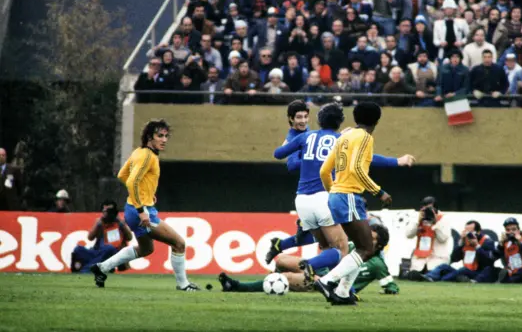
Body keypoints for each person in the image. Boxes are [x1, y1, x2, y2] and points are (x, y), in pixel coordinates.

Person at [271, 103, 414, 275]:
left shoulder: (306, 137)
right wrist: (397, 161)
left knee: (326, 247)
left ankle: (328, 285)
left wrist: (292, 138)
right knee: (342, 249)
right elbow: (370, 159)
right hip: (323, 197)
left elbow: (278, 154)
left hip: (301, 200)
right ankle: (313, 268)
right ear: (340, 122)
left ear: (318, 120)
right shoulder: (340, 139)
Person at [91, 120, 200, 291]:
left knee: (146, 249)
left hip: (133, 209)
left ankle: (101, 268)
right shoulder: (148, 156)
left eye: (166, 136)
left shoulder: (139, 152)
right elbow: (132, 181)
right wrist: (142, 209)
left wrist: (144, 193)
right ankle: (183, 285)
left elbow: (122, 175)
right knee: (179, 243)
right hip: (140, 211)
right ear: (150, 137)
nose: (164, 140)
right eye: (159, 136)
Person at [314, 102, 394, 305]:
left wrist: (333, 191)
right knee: (367, 248)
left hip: (337, 195)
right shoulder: (365, 137)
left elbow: (324, 170)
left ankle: (342, 293)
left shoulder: (345, 136)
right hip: (349, 195)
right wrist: (379, 192)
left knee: (360, 248)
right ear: (377, 120)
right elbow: (357, 168)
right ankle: (327, 281)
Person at [220, 223, 398, 295]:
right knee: (281, 259)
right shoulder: (353, 247)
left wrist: (389, 290)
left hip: (327, 285)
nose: (367, 239)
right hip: (321, 272)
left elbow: (392, 286)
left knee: (286, 278)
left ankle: (238, 287)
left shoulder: (376, 264)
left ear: (380, 245)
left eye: (373, 239)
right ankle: (271, 284)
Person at [71, 200, 133, 273]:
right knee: (78, 249)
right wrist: (97, 225)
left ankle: (88, 269)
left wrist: (122, 224)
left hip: (111, 255)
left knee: (109, 248)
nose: (105, 213)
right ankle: (85, 268)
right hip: (97, 252)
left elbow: (130, 237)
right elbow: (90, 238)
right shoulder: (100, 223)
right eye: (104, 211)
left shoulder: (119, 223)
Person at [426, 220, 497, 283]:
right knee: (444, 266)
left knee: (463, 270)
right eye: (466, 231)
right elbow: (453, 258)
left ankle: (443, 280)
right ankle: (428, 277)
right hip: (465, 270)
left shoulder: (487, 242)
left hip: (478, 273)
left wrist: (477, 246)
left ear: (478, 232)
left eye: (470, 232)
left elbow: (488, 261)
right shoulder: (465, 242)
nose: (468, 234)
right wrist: (460, 244)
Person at [405, 196, 451, 279]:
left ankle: (428, 276)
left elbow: (443, 238)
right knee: (413, 274)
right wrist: (417, 222)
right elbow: (408, 235)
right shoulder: (419, 216)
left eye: (430, 208)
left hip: (436, 258)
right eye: (425, 208)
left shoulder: (444, 218)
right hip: (420, 260)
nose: (427, 211)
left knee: (434, 273)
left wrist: (435, 223)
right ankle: (422, 276)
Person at [495, 217, 522, 284]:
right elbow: (492, 257)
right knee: (492, 270)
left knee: (521, 273)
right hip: (511, 270)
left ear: (519, 230)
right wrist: (500, 245)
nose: (511, 232)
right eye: (508, 230)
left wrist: (521, 242)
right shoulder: (505, 241)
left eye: (513, 229)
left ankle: (508, 282)